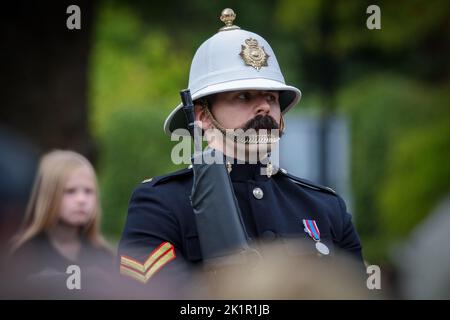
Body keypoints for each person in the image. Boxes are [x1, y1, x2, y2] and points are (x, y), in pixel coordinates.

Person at [118, 8, 364, 296]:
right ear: (202, 115)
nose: (264, 108)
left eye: (271, 98)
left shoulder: (324, 207)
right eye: (244, 96)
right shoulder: (161, 205)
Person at [7, 150, 113, 298]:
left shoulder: (104, 256)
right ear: (47, 196)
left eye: (88, 191)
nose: (81, 200)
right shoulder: (24, 254)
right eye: (70, 191)